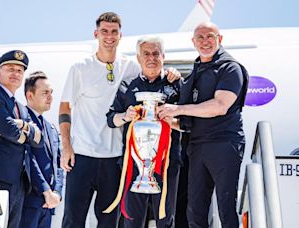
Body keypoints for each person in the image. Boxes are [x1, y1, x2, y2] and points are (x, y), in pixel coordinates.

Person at [59, 12, 181, 228]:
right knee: (73, 219)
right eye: (104, 31)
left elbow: (152, 68)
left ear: (120, 35)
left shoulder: (130, 66)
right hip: (83, 155)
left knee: (111, 221)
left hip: (116, 159)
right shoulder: (80, 68)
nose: (109, 36)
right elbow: (65, 107)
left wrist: (172, 72)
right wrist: (66, 147)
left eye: (114, 32)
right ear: (96, 34)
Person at [157, 22, 249, 228]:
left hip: (224, 144)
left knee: (226, 207)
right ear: (193, 42)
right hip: (197, 147)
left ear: (220, 39)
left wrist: (178, 109)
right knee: (195, 210)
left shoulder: (230, 68)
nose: (205, 41)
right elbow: (187, 122)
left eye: (210, 36)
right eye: (200, 37)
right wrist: (162, 118)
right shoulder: (197, 71)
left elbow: (220, 106)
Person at [106, 36, 181, 228]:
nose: (151, 58)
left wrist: (171, 119)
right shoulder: (127, 86)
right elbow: (111, 119)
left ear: (163, 56)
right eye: (146, 54)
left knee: (165, 219)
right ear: (138, 58)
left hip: (167, 164)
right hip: (134, 166)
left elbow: (189, 121)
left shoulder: (177, 84)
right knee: (132, 221)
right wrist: (126, 116)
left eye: (156, 53)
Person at [0, 50, 42, 228]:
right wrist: (23, 133)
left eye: (20, 71)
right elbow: (10, 131)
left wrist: (21, 125)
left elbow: (39, 140)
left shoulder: (20, 107)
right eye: (10, 69)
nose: (15, 74)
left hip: (19, 182)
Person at [21, 71, 64, 228]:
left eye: (51, 92)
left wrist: (57, 193)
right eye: (45, 92)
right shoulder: (22, 121)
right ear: (30, 95)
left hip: (48, 205)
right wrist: (46, 192)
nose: (50, 97)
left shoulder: (51, 128)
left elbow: (59, 164)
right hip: (29, 202)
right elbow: (27, 158)